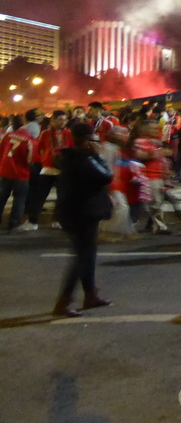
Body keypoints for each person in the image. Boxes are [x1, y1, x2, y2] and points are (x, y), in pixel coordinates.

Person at [52, 123, 113, 318]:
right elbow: (106, 176)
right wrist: (97, 156)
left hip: (79, 212)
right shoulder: (83, 160)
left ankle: (90, 295)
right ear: (86, 142)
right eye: (94, 141)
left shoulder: (72, 158)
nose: (98, 144)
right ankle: (64, 302)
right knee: (81, 258)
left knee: (88, 255)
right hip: (82, 214)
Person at [24, 109, 72, 231]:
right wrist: (44, 159)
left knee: (62, 197)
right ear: (53, 120)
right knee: (39, 195)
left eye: (65, 119)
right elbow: (39, 149)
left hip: (63, 169)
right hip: (48, 168)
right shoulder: (45, 133)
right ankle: (33, 221)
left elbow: (72, 150)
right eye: (60, 119)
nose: (63, 122)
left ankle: (57, 220)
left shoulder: (69, 133)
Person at [0, 114, 35, 233]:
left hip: (6, 171)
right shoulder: (29, 139)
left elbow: (1, 151)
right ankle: (14, 224)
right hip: (21, 174)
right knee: (19, 199)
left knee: (2, 196)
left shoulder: (8, 135)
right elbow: (30, 160)